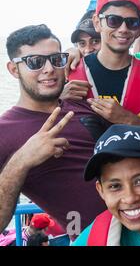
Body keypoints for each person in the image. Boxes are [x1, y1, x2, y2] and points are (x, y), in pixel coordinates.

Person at [0, 24, 107, 234]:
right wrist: (21, 161)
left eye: (56, 59)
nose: (49, 69)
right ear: (14, 69)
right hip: (96, 238)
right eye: (35, 62)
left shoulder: (82, 106)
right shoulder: (5, 132)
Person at [67, 0, 140, 153]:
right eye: (113, 20)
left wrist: (127, 118)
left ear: (139, 29)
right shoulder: (70, 71)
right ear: (97, 22)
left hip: (138, 174)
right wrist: (59, 100)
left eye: (132, 22)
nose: (123, 29)